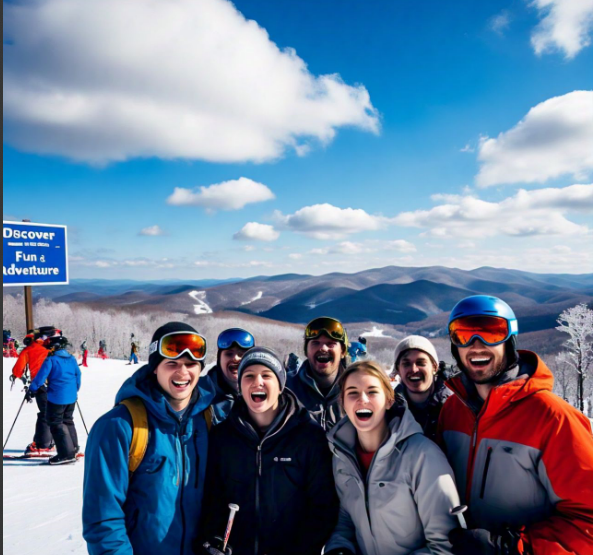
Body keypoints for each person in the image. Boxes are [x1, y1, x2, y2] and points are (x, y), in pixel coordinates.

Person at [438, 295, 593, 555]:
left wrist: (511, 547)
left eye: (492, 332)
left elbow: (588, 521)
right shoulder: (452, 410)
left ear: (510, 341)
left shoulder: (553, 419)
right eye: (463, 334)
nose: (477, 345)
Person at [83, 322, 215, 555]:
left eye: (190, 364)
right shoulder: (119, 426)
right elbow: (103, 518)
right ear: (155, 368)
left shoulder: (210, 421)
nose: (183, 372)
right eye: (171, 364)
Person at [201, 346, 339, 555]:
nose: (258, 382)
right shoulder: (223, 437)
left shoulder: (308, 436)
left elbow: (323, 507)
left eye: (267, 375)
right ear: (240, 385)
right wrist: (213, 539)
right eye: (249, 376)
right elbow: (212, 500)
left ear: (281, 385)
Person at [325, 360, 460, 555]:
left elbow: (446, 545)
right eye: (352, 393)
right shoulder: (341, 457)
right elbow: (347, 518)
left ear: (389, 400)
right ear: (343, 403)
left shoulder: (422, 456)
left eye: (372, 391)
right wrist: (339, 548)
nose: (362, 399)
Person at [286, 316, 349, 430]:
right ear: (306, 350)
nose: (323, 348)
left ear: (343, 351)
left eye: (331, 343)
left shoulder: (357, 391)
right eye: (315, 343)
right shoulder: (286, 390)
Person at [27, 334, 81, 465]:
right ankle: (73, 447)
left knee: (56, 423)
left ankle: (66, 454)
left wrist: (32, 390)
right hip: (71, 397)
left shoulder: (51, 360)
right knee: (68, 420)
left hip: (57, 397)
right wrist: (74, 390)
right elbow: (78, 375)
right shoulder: (72, 359)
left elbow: (40, 378)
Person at [392, 335, 453, 442]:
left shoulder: (455, 405)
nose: (414, 369)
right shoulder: (389, 410)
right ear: (398, 370)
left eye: (421, 363)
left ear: (434, 367)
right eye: (406, 364)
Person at [11, 330, 54, 455]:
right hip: (56, 384)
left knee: (45, 413)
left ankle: (42, 443)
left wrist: (19, 376)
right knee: (56, 412)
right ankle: (57, 441)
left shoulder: (29, 350)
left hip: (39, 384)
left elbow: (18, 370)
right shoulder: (50, 348)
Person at [203, 328, 255, 425]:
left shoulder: (261, 394)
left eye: (241, 354)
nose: (235, 358)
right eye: (229, 354)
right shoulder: (200, 394)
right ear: (219, 359)